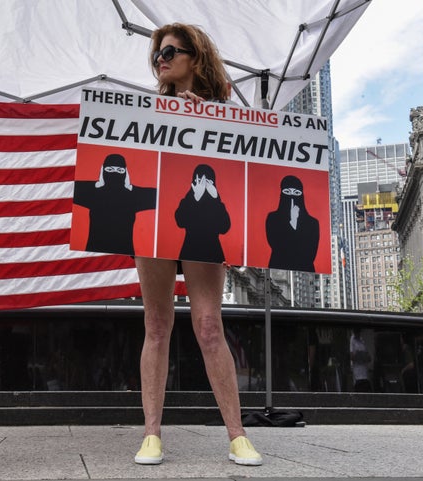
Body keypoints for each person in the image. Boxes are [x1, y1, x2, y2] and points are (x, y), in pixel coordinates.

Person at [133, 23, 262, 467]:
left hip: (205, 232)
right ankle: (151, 433)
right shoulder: (143, 110)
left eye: (169, 52)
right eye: (156, 56)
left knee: (208, 324)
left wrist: (207, 116)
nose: (161, 60)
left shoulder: (226, 113)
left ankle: (238, 435)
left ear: (196, 57)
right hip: (153, 226)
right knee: (157, 325)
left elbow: (245, 177)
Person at [175, 164, 231, 263]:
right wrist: (196, 198)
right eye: (199, 181)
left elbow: (224, 227)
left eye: (207, 182)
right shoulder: (187, 201)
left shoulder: (216, 204)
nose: (203, 185)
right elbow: (180, 221)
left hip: (213, 253)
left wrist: (215, 197)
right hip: (190, 251)